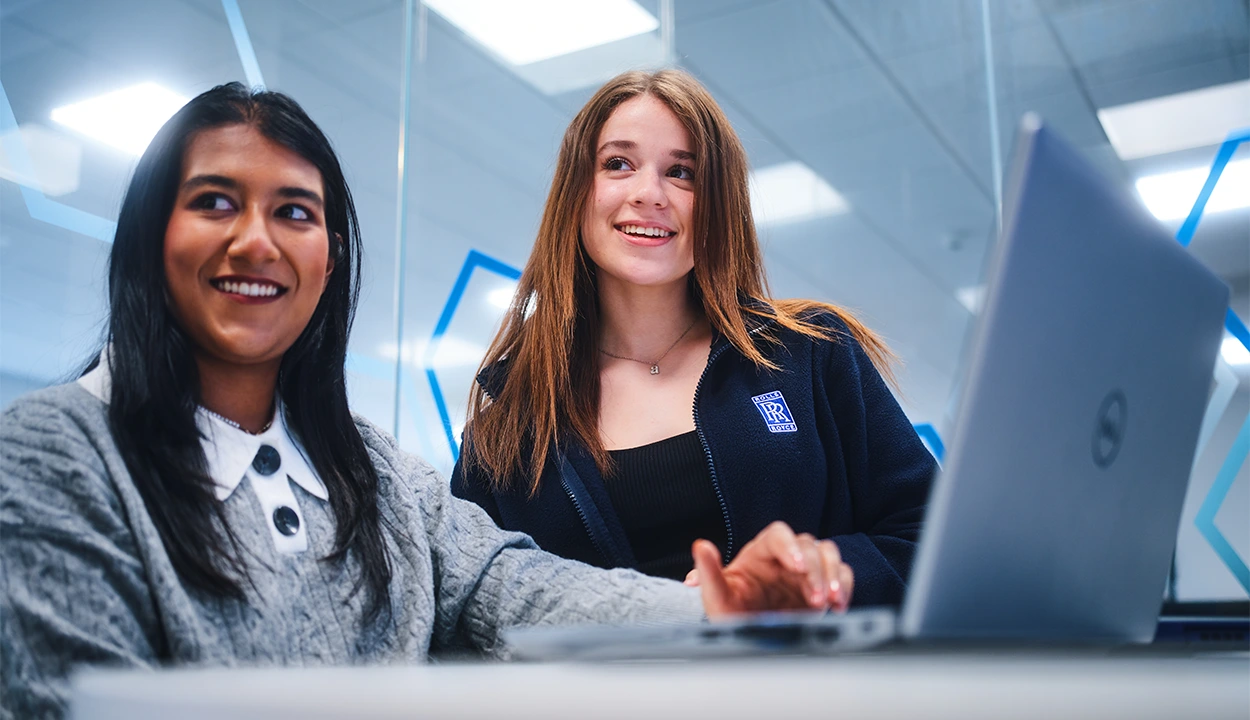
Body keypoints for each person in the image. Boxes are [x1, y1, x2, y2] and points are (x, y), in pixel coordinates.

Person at [1, 83, 849, 720]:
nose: (255, 240)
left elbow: (519, 586)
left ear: (329, 261)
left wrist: (713, 606)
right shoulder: (52, 453)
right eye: (214, 201)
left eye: (294, 212)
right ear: (151, 236)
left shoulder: (374, 475)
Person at [451, 69, 937, 608]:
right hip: (604, 697)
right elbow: (470, 612)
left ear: (717, 205)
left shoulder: (810, 356)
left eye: (682, 173)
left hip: (805, 688)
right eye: (618, 164)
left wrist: (823, 576)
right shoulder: (506, 434)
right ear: (575, 193)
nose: (648, 194)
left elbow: (930, 538)